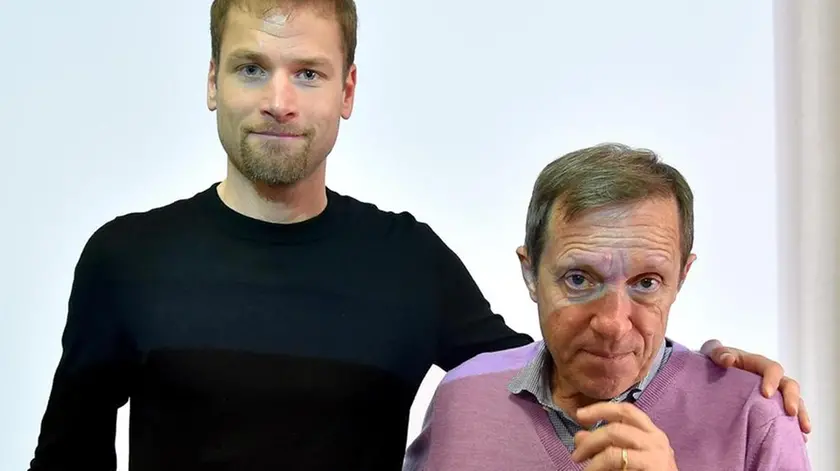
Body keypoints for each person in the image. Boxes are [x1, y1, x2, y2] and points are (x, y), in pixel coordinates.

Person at [28, 1, 809, 470]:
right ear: (210, 81)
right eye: (249, 67)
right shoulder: (126, 259)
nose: (277, 100)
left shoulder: (406, 262)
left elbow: (559, 355)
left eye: (306, 72)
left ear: (348, 90)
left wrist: (712, 367)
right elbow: (68, 464)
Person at [402, 143, 812, 471]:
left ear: (681, 279)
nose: (613, 323)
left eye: (646, 283)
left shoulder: (754, 419)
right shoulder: (464, 398)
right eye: (579, 280)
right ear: (530, 273)